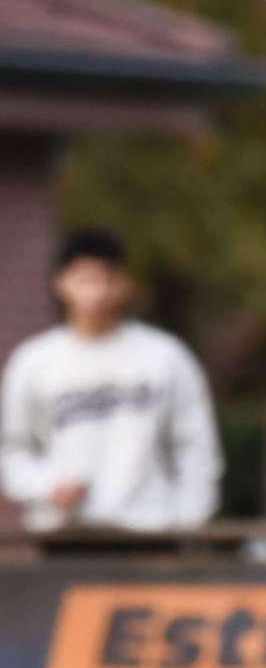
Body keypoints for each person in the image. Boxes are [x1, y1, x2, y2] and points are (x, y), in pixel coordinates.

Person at [0, 228, 222, 537]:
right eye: (84, 279)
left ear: (124, 283)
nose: (96, 292)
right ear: (60, 283)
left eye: (106, 278)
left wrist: (189, 521)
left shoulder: (165, 356)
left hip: (152, 530)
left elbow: (196, 447)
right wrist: (48, 485)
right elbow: (12, 452)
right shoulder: (33, 362)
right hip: (65, 533)